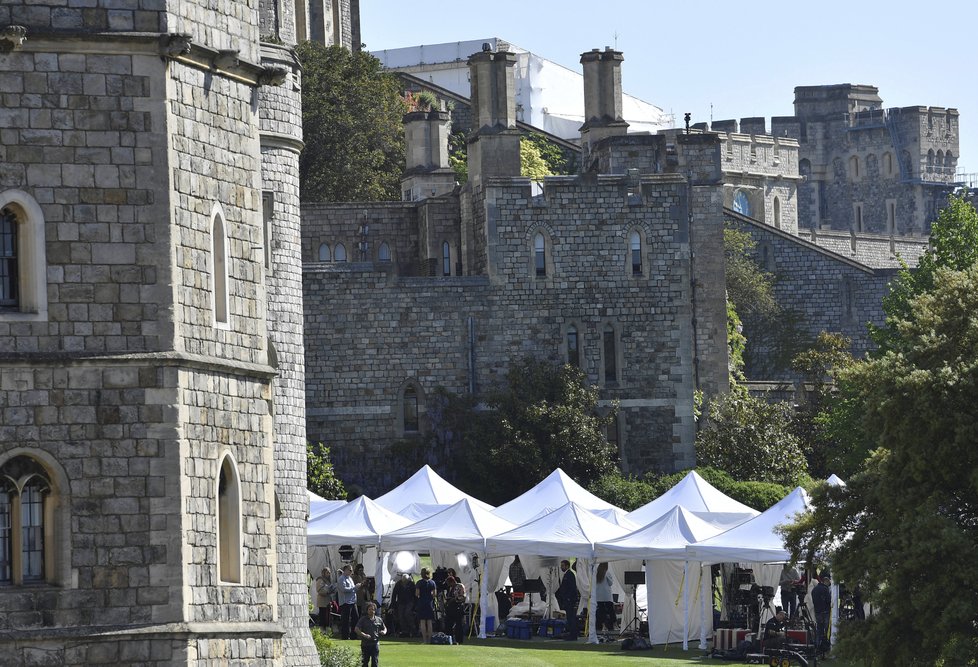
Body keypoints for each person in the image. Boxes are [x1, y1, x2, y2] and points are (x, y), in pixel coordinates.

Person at [355, 601, 387, 667]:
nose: (371, 611)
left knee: (375, 662)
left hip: (375, 644)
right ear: (367, 610)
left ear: (375, 610)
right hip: (365, 644)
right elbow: (356, 629)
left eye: (373, 609)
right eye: (369, 609)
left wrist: (384, 631)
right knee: (365, 662)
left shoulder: (379, 619)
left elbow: (385, 628)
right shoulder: (363, 619)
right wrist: (364, 635)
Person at [556, 559, 580, 640]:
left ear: (567, 566)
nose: (561, 567)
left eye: (562, 565)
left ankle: (573, 635)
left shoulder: (570, 575)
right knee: (569, 617)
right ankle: (571, 633)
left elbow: (572, 588)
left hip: (570, 600)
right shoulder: (567, 574)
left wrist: (569, 598)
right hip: (567, 599)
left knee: (571, 617)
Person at [812, 571, 832, 653]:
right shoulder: (825, 589)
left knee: (819, 629)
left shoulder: (814, 589)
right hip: (825, 612)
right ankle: (825, 646)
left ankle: (817, 646)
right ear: (826, 581)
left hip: (817, 612)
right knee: (826, 630)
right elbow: (828, 600)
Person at [415, 567, 437, 643]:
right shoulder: (432, 583)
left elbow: (417, 594)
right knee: (429, 622)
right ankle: (430, 639)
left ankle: (424, 640)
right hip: (429, 603)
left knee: (423, 622)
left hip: (421, 603)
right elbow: (434, 594)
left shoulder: (419, 583)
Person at [444, 574, 467, 645]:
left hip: (458, 608)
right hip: (450, 609)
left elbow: (462, 597)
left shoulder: (459, 586)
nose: (448, 585)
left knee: (458, 625)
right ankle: (449, 639)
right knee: (448, 625)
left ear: (452, 582)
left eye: (448, 583)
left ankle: (459, 640)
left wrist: (453, 600)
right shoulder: (450, 588)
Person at [338, 564, 360, 640]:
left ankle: (354, 635)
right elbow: (344, 589)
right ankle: (345, 636)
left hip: (352, 601)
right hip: (346, 602)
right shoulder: (341, 579)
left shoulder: (350, 578)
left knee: (355, 618)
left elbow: (353, 589)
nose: (351, 572)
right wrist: (354, 587)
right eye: (350, 570)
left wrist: (357, 587)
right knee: (346, 620)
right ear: (345, 570)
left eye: (352, 570)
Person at [594, 562, 615, 633]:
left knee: (601, 612)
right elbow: (611, 583)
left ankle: (603, 626)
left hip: (598, 596)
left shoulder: (596, 573)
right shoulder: (607, 573)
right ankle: (612, 626)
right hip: (606, 596)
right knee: (610, 611)